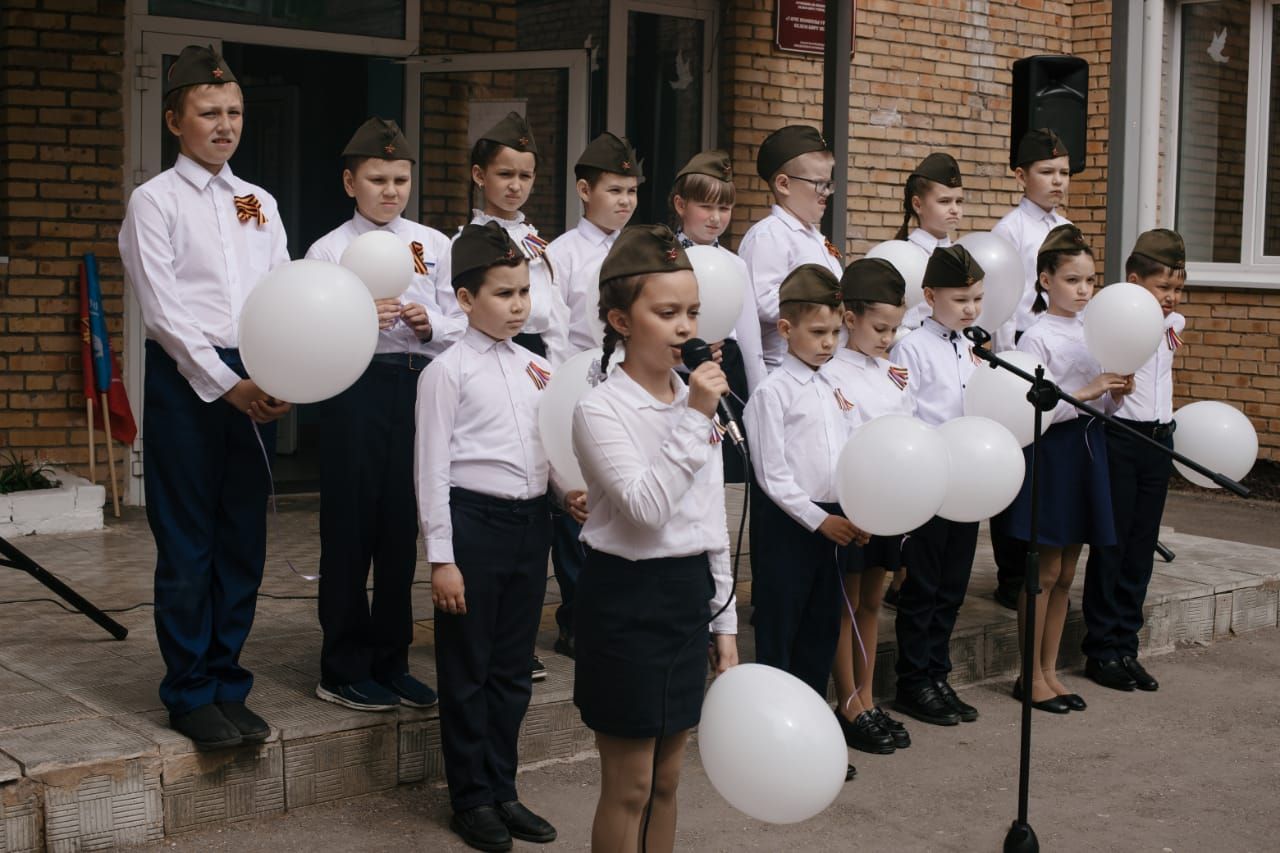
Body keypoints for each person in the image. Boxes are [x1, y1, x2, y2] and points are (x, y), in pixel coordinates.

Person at [119, 44, 290, 750]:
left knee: (241, 538)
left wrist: (279, 372)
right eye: (209, 111)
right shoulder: (153, 201)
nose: (225, 124)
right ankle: (188, 690)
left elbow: (283, 292)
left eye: (235, 111)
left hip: (254, 373)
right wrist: (229, 385)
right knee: (188, 541)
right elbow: (163, 312)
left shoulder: (258, 201)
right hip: (190, 382)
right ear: (174, 120)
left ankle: (227, 679)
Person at [571, 224, 739, 852]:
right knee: (631, 783)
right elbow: (645, 507)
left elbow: (709, 520)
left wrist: (725, 626)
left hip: (684, 594)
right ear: (621, 319)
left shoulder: (697, 403)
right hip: (626, 599)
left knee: (669, 778)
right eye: (666, 312)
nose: (684, 327)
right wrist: (694, 418)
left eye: (692, 312)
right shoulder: (601, 409)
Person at [415, 221, 567, 851]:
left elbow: (550, 446)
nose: (517, 305)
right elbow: (431, 471)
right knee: (468, 668)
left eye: (524, 292)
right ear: (464, 300)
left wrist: (568, 491)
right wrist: (442, 559)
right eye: (503, 294)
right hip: (472, 526)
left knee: (510, 670)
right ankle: (470, 797)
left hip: (530, 527)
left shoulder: (538, 368)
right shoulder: (445, 373)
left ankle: (504, 789)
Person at [305, 117, 461, 712]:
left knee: (402, 525)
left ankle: (391, 659)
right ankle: (341, 664)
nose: (390, 190)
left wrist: (431, 325)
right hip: (354, 388)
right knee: (350, 527)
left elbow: (460, 318)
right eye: (377, 179)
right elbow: (310, 330)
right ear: (350, 183)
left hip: (417, 385)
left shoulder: (432, 243)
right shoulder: (328, 248)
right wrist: (355, 318)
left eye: (400, 178)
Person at [1000, 224, 1131, 713]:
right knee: (1044, 569)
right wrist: (1088, 390)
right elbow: (1036, 408)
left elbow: (1103, 408)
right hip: (1051, 453)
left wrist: (1115, 396)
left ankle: (1050, 670)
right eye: (1073, 280)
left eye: (1090, 281)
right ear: (1045, 280)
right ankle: (1027, 674)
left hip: (1087, 449)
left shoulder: (1093, 331)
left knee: (1068, 571)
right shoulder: (1035, 338)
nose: (1083, 290)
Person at [542, 131, 643, 659]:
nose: (625, 201)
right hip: (579, 385)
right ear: (585, 190)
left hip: (632, 385)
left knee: (625, 495)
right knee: (578, 504)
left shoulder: (642, 248)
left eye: (631, 190)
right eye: (614, 190)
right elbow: (557, 332)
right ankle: (577, 616)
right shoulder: (562, 253)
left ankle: (616, 611)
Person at [1082, 229, 1188, 693]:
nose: (1171, 297)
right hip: (1122, 437)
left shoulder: (1171, 326)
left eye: (1178, 289)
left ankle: (1127, 645)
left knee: (1142, 546)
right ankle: (1101, 649)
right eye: (1164, 287)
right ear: (1134, 280)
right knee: (1114, 545)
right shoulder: (1115, 321)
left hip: (1159, 441)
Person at [888, 245, 986, 727]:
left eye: (977, 299)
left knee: (952, 586)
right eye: (961, 299)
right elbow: (907, 410)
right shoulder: (912, 346)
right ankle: (913, 681)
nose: (971, 308)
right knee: (922, 586)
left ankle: (937, 673)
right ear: (929, 296)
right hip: (930, 479)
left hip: (967, 482)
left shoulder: (972, 346)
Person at [822, 258, 916, 755]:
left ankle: (870, 695)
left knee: (874, 602)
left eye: (896, 328)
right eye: (880, 327)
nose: (888, 337)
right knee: (847, 605)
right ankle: (848, 702)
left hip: (888, 504)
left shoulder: (894, 373)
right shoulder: (832, 372)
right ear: (849, 318)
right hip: (851, 503)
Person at [988, 128, 1073, 609]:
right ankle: (1010, 572)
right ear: (1021, 175)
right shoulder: (1011, 229)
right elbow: (1005, 301)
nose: (1057, 181)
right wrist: (1008, 364)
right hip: (1022, 352)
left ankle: (1031, 560)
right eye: (1046, 172)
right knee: (1015, 463)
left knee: (1042, 466)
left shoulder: (1064, 226)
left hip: (1057, 350)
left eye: (1063, 172)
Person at [669, 149, 766, 484]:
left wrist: (760, 405)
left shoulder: (735, 264)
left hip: (728, 376)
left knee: (724, 475)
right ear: (681, 205)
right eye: (706, 207)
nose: (715, 218)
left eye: (724, 208)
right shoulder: (663, 258)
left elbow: (752, 344)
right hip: (674, 378)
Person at [462, 111, 572, 368]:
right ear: (479, 175)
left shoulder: (533, 240)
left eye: (525, 176)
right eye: (505, 174)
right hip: (485, 353)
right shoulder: (466, 241)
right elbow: (459, 313)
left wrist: (558, 372)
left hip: (536, 352)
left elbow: (555, 318)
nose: (515, 185)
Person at [738, 125, 844, 371]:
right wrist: (828, 306)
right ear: (784, 184)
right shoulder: (769, 235)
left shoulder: (814, 236)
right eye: (819, 184)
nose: (826, 193)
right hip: (785, 370)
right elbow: (763, 301)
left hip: (822, 368)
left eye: (829, 183)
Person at [895, 152, 964, 330]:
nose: (955, 209)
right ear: (917, 205)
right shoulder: (902, 256)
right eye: (944, 201)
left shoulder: (962, 256)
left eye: (959, 201)